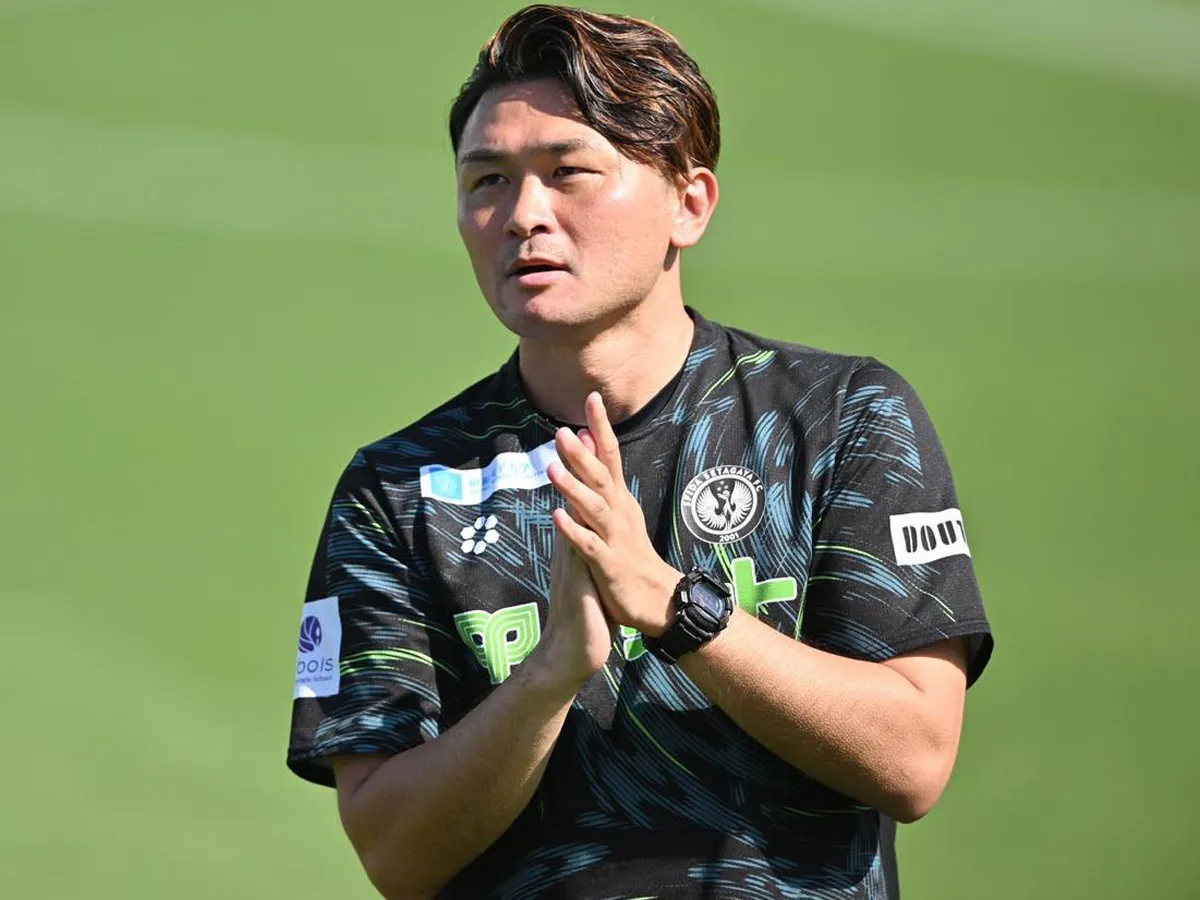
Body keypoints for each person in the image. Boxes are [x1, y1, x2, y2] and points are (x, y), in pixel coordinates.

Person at [286, 5, 993, 898]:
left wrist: (675, 609)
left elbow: (915, 759)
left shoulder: (839, 418)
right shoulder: (400, 489)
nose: (523, 216)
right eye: (488, 180)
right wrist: (549, 677)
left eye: (568, 172)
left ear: (688, 205)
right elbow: (395, 854)